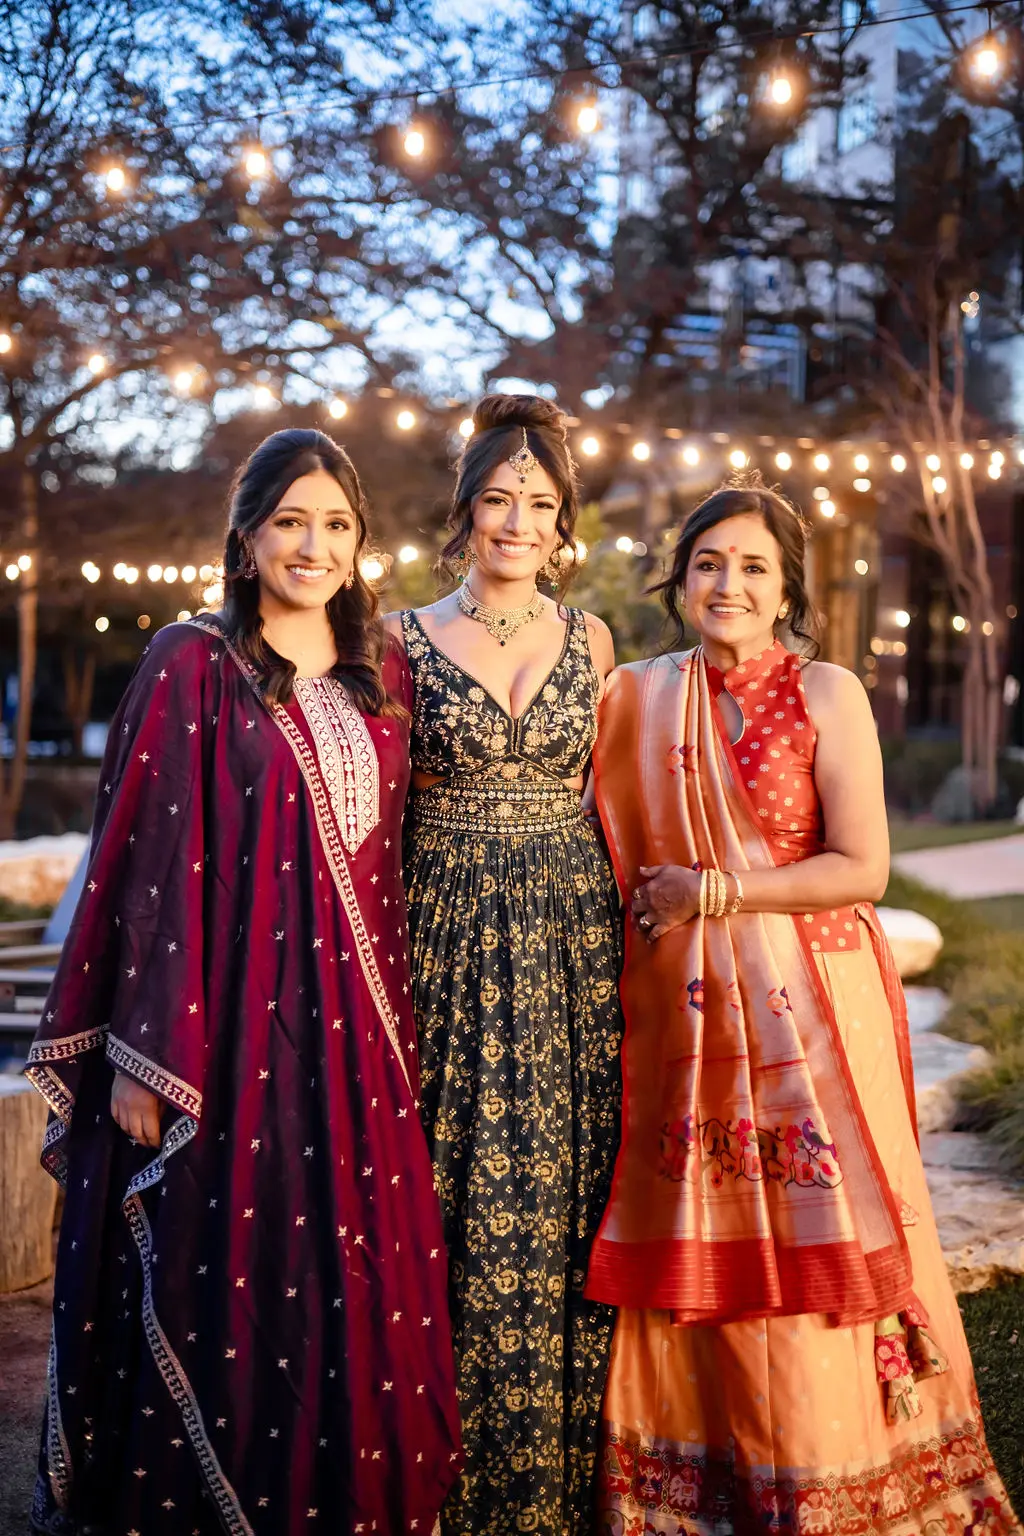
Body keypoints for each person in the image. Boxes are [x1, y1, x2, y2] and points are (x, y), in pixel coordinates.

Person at [25, 428, 461, 1536]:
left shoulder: (384, 673)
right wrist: (141, 1052)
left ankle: (342, 1497)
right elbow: (147, 863)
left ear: (360, 541)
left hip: (357, 1036)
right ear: (246, 535)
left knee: (346, 1269)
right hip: (226, 1032)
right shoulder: (192, 661)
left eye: (336, 525)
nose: (313, 547)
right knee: (230, 1264)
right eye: (289, 522)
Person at [587, 478, 1020, 1536]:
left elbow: (861, 866)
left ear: (787, 589)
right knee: (710, 1216)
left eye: (753, 566)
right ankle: (704, 1472)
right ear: (678, 580)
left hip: (821, 1002)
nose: (727, 584)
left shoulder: (827, 691)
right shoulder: (640, 697)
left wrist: (714, 891)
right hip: (692, 1010)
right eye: (707, 563)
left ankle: (847, 1470)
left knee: (824, 1221)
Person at [383, 393, 623, 1536]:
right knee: (452, 1188)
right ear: (464, 511)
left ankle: (556, 1488)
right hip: (445, 937)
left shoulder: (596, 641)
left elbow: (619, 796)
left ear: (562, 518)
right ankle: (445, 1479)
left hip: (572, 945)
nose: (517, 521)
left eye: (537, 501)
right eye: (496, 499)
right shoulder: (400, 639)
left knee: (566, 1190)